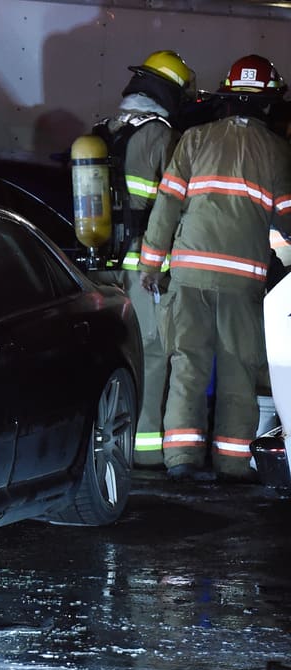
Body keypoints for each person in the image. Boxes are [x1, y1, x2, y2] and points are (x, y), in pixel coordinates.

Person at [139, 54, 291, 482]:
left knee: (187, 365)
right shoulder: (279, 152)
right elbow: (287, 219)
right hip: (243, 282)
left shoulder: (193, 140)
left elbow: (166, 206)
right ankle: (232, 464)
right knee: (239, 370)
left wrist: (152, 264)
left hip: (188, 277)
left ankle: (181, 462)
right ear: (268, 103)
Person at [92, 50, 196, 468]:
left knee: (105, 353)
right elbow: (175, 204)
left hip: (98, 264)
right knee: (151, 353)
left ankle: (104, 444)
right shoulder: (161, 136)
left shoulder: (103, 129)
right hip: (142, 268)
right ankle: (145, 451)